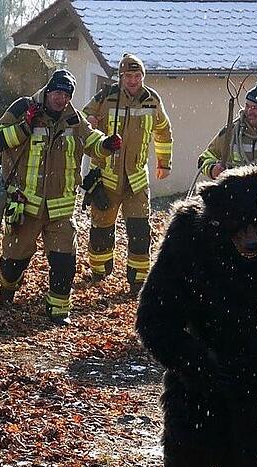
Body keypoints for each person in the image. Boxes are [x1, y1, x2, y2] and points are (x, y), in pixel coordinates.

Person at [0, 70, 121, 325]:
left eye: (67, 94)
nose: (61, 99)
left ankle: (58, 310)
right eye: (57, 93)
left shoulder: (74, 119)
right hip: (25, 206)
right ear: (48, 91)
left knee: (65, 263)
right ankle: (7, 291)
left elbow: (92, 139)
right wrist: (25, 126)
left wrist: (107, 145)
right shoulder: (24, 108)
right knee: (14, 262)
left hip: (61, 209)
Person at [81, 54, 173, 295]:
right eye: (128, 76)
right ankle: (99, 272)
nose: (133, 81)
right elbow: (80, 122)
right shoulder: (105, 97)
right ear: (121, 77)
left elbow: (163, 130)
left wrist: (164, 162)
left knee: (140, 231)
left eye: (137, 76)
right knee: (101, 228)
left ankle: (138, 281)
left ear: (143, 76)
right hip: (106, 175)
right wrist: (90, 120)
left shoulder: (152, 100)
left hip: (137, 179)